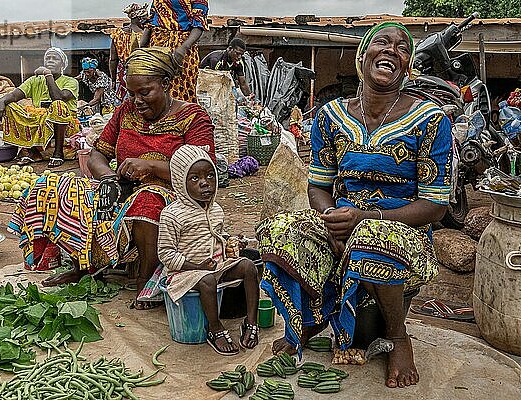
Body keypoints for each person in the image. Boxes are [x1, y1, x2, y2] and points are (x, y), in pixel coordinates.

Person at [255, 22, 452, 388]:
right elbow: (318, 186)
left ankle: (397, 336)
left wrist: (364, 218)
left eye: (402, 47)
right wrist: (331, 217)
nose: (392, 50)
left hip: (401, 231)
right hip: (343, 219)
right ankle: (306, 323)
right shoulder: (330, 116)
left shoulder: (430, 120)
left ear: (408, 66)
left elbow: (435, 205)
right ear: (363, 56)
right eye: (382, 42)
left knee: (371, 238)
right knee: (278, 230)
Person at [8, 47, 216, 311]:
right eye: (131, 93)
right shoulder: (125, 111)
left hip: (175, 195)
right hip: (124, 186)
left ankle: (147, 280)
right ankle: (83, 265)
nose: (137, 101)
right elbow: (98, 154)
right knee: (52, 187)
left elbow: (205, 171)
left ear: (166, 84)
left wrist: (151, 166)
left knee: (147, 200)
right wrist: (108, 179)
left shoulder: (193, 118)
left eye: (144, 92)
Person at [158, 144, 260, 355]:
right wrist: (197, 266)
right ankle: (215, 329)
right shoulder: (172, 214)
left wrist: (230, 244)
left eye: (209, 176)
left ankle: (250, 322)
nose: (205, 183)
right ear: (180, 182)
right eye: (194, 178)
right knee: (207, 280)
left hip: (214, 267)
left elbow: (216, 238)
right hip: (184, 273)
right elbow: (166, 253)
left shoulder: (216, 210)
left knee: (249, 267)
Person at [0, 47, 80, 168]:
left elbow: (59, 98)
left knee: (58, 105)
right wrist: (1, 101)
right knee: (10, 106)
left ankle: (58, 152)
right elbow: (14, 95)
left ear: (62, 65)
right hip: (41, 124)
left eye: (55, 58)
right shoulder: (35, 81)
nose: (50, 61)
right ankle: (32, 152)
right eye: (48, 58)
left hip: (65, 126)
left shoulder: (71, 81)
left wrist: (48, 75)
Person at [140, 0, 208, 102]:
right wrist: (142, 47)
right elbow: (152, 18)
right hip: (157, 46)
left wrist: (183, 49)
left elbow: (199, 24)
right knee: (155, 87)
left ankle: (181, 117)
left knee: (182, 89)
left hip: (182, 49)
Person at [109, 3, 147, 102]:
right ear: (139, 18)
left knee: (123, 103)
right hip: (141, 73)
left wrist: (113, 79)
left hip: (122, 74)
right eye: (144, 18)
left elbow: (113, 60)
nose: (146, 21)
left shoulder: (118, 34)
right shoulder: (144, 35)